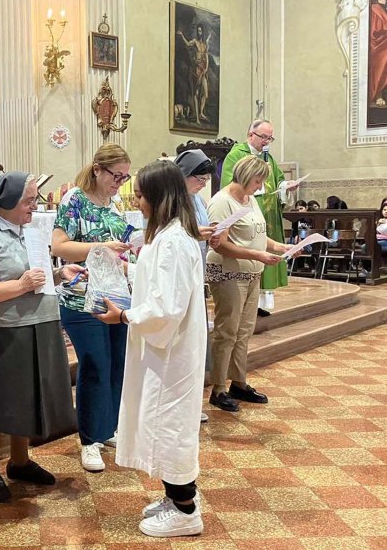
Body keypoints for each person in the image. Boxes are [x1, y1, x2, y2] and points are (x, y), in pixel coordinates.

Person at [0, 172, 81, 503]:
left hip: (37, 323)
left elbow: (36, 275)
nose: (35, 206)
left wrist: (58, 273)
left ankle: (20, 461)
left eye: (35, 199)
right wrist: (20, 286)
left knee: (25, 398)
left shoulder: (29, 231)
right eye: (29, 201)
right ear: (6, 201)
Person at [96, 161, 206, 538]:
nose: (137, 202)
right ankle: (175, 499)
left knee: (170, 426)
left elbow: (166, 307)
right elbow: (157, 284)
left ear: (159, 197)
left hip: (171, 353)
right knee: (164, 423)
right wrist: (120, 269)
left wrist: (124, 316)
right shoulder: (168, 236)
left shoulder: (173, 242)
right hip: (166, 351)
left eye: (141, 195)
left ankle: (186, 510)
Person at [51, 143, 132, 472]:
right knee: (95, 364)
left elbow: (117, 252)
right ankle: (89, 440)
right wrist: (102, 247)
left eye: (125, 178)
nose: (119, 183)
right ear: (97, 169)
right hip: (82, 296)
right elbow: (59, 247)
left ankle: (108, 428)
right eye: (116, 176)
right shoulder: (75, 200)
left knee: (116, 364)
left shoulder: (116, 204)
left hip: (115, 295)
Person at [208, 155, 295, 412]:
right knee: (227, 331)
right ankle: (218, 389)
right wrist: (257, 255)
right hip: (228, 273)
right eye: (258, 181)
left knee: (244, 331)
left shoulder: (250, 199)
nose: (260, 186)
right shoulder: (222, 201)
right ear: (245, 177)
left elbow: (259, 235)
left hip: (251, 273)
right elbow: (220, 244)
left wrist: (282, 247)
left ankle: (238, 382)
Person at [221, 120, 299, 315]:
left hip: (267, 214)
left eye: (270, 138)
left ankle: (260, 303)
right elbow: (230, 185)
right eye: (263, 137)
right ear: (250, 135)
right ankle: (248, 305)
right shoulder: (237, 155)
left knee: (266, 254)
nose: (266, 141)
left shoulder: (268, 158)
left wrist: (285, 187)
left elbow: (278, 181)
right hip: (246, 215)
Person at [174, 149, 221, 425]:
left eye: (205, 180)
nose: (203, 184)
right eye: (199, 179)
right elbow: (165, 237)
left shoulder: (198, 200)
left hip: (196, 277)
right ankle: (178, 404)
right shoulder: (171, 201)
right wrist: (196, 234)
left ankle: (192, 402)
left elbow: (199, 231)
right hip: (178, 278)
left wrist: (212, 235)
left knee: (196, 343)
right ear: (184, 175)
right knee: (180, 345)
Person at [177, 24, 212, 124]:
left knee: (205, 94)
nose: (199, 33)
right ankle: (197, 117)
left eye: (200, 31)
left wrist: (206, 68)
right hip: (196, 68)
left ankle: (201, 113)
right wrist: (182, 35)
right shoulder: (195, 41)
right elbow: (188, 44)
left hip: (203, 69)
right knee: (196, 93)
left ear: (202, 32)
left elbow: (206, 56)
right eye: (198, 31)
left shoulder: (204, 44)